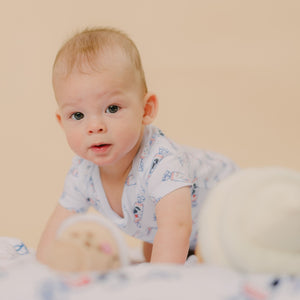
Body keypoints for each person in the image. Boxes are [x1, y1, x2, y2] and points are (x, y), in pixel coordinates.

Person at [36, 27, 237, 265]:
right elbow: (58, 228)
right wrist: (42, 266)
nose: (95, 126)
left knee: (208, 255)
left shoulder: (162, 162)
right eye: (78, 115)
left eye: (112, 109)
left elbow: (177, 226)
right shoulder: (83, 171)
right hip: (177, 226)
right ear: (62, 122)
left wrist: (157, 280)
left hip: (229, 206)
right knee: (151, 253)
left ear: (146, 109)